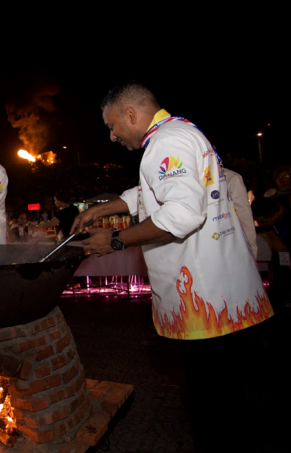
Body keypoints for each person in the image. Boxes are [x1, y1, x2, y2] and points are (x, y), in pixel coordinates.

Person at [71, 81, 273, 451]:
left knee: (213, 409)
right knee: (227, 404)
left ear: (131, 114)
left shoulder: (166, 142)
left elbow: (180, 213)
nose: (113, 136)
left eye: (112, 125)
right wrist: (105, 207)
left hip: (205, 300)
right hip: (219, 292)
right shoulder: (180, 131)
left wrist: (114, 240)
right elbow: (153, 192)